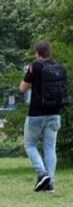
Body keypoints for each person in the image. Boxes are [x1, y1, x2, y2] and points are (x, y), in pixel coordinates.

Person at [20, 40, 66, 194]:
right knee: (50, 148)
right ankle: (50, 185)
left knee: (30, 145)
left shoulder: (34, 66)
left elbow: (22, 88)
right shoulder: (57, 67)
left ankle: (43, 173)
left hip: (36, 113)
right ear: (49, 52)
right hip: (55, 113)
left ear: (37, 53)